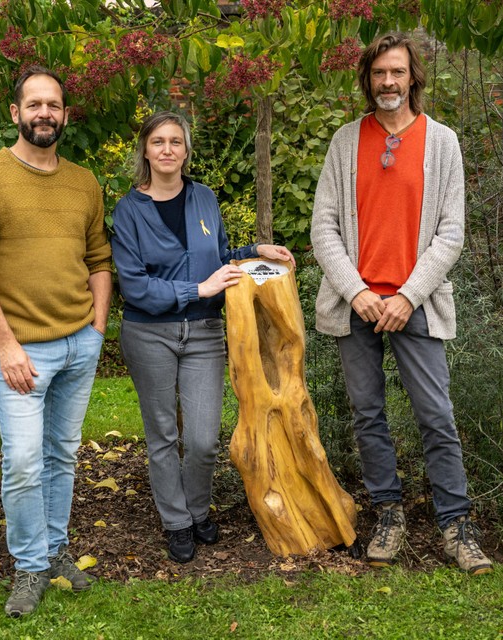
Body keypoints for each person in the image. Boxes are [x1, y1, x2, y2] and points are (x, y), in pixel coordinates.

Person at [310, 33, 493, 575]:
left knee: (436, 415)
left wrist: (408, 296)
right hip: (357, 305)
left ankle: (457, 526)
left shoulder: (443, 142)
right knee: (368, 416)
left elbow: (451, 233)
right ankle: (388, 514)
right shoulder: (346, 141)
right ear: (367, 80)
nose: (388, 82)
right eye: (378, 74)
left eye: (397, 72)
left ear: (414, 77)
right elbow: (325, 228)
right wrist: (360, 292)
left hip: (416, 304)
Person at [0, 66, 112, 616]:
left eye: (55, 105)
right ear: (16, 113)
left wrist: (96, 327)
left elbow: (98, 258)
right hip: (21, 348)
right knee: (22, 461)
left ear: (65, 115)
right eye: (35, 104)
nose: (46, 113)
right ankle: (29, 568)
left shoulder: (83, 181)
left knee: (62, 455)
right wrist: (6, 345)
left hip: (78, 343)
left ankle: (55, 551)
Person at [111, 111, 294, 563]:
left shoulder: (205, 198)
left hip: (205, 333)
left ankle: (196, 510)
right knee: (161, 435)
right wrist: (198, 290)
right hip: (149, 333)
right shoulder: (128, 210)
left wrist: (255, 251)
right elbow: (134, 286)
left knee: (203, 439)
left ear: (186, 151)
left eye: (176, 141)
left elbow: (215, 257)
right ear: (146, 151)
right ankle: (176, 522)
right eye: (158, 142)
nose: (168, 149)